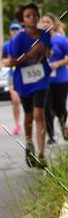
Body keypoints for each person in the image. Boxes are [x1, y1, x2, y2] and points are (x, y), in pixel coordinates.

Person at [6, 2, 52, 168]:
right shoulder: (18, 38)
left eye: (34, 15)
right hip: (24, 81)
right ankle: (29, 144)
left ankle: (41, 154)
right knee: (29, 116)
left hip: (41, 79)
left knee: (39, 114)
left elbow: (48, 54)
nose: (32, 17)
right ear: (23, 21)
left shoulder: (45, 34)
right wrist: (31, 53)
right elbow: (11, 62)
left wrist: (46, 51)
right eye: (28, 16)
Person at [41, 13, 68, 143]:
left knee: (60, 107)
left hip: (61, 80)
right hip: (45, 81)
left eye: (47, 22)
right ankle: (51, 136)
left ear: (53, 24)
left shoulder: (61, 40)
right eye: (43, 22)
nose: (45, 24)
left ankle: (63, 127)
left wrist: (57, 63)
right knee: (46, 108)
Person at [2, 22, 23, 136]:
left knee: (27, 100)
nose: (15, 31)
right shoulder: (6, 45)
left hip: (24, 74)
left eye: (17, 29)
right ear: (10, 32)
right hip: (12, 74)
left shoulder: (25, 43)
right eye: (13, 29)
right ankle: (17, 124)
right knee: (15, 100)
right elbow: (4, 61)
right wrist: (11, 62)